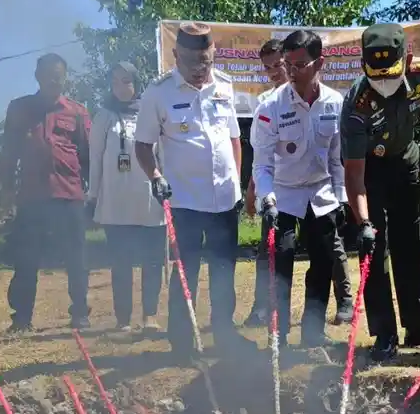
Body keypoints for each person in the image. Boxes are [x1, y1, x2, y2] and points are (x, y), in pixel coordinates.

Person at [135, 21, 251, 358]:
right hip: (184, 199)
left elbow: (233, 139)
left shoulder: (224, 85)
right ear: (176, 55)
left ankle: (225, 334)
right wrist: (155, 176)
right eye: (192, 62)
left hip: (224, 198)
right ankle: (182, 341)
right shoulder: (158, 93)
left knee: (223, 270)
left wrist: (237, 183)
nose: (200, 69)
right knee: (186, 271)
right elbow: (143, 145)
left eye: (206, 61)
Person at [342, 23, 420, 362]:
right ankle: (384, 332)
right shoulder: (356, 104)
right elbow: (354, 173)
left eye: (390, 73)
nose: (384, 83)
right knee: (374, 251)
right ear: (363, 65)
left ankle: (417, 324)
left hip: (407, 162)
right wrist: (363, 222)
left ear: (407, 59)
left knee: (410, 246)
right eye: (377, 76)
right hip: (370, 171)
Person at [251, 30, 346, 347]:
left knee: (323, 263)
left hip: (321, 195)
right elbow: (262, 164)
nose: (292, 72)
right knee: (281, 262)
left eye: (300, 65)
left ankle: (313, 334)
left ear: (320, 63)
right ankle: (277, 335)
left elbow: (337, 160)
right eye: (287, 64)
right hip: (283, 195)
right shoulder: (270, 106)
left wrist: (341, 199)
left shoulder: (335, 103)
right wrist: (267, 199)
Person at [0, 53, 93, 333]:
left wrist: (92, 192)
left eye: (59, 76)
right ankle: (22, 318)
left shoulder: (77, 112)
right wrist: (6, 189)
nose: (55, 81)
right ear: (37, 76)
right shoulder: (20, 109)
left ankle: (80, 312)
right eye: (49, 75)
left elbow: (88, 155)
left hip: (69, 194)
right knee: (26, 259)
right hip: (32, 196)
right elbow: (8, 153)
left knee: (76, 257)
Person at [87, 61, 165, 332]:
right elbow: (95, 159)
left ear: (136, 82)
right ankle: (123, 319)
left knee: (152, 261)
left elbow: (162, 155)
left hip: (149, 201)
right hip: (116, 202)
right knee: (121, 263)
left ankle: (150, 316)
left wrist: (167, 190)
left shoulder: (151, 113)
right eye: (114, 82)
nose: (120, 87)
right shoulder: (104, 116)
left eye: (126, 81)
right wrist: (92, 195)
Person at [243, 39, 290, 327]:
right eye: (268, 67)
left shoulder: (308, 95)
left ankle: (344, 301)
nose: (273, 72)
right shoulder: (264, 103)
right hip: (272, 186)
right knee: (268, 248)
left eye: (278, 65)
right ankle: (261, 308)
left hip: (308, 185)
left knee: (328, 246)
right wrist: (253, 190)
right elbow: (259, 154)